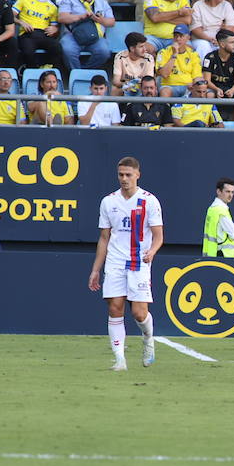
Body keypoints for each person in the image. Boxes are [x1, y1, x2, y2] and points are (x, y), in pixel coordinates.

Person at [89, 156, 163, 371]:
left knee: (139, 313)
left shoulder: (149, 201)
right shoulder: (108, 201)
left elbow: (158, 235)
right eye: (121, 175)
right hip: (115, 261)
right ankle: (120, 359)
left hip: (139, 262)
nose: (124, 179)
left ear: (137, 175)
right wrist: (96, 269)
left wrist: (152, 251)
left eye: (128, 175)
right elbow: (104, 237)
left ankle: (148, 339)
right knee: (115, 307)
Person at [203, 177, 234, 258]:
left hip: (212, 254)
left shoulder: (212, 209)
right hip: (224, 256)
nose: (230, 195)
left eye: (232, 192)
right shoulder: (221, 211)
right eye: (227, 192)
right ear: (218, 191)